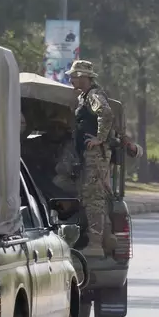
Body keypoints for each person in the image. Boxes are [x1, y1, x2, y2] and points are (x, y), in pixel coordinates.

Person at [65, 60, 114, 257]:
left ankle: (95, 244)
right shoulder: (84, 97)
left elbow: (106, 113)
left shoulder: (94, 95)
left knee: (94, 198)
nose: (71, 79)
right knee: (90, 195)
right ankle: (106, 236)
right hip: (89, 155)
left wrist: (99, 139)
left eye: (75, 76)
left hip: (95, 155)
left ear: (85, 77)